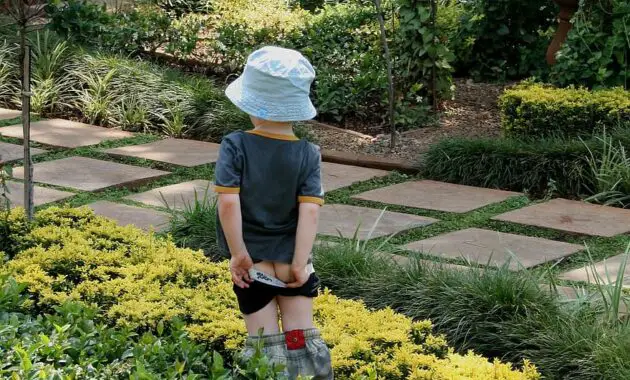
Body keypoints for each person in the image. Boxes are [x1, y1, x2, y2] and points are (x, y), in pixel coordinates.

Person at [214, 45, 333, 380]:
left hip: (254, 266)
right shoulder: (309, 153)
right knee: (300, 340)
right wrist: (299, 261)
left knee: (264, 345)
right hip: (291, 264)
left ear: (253, 104)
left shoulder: (236, 145)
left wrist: (239, 254)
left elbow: (228, 203)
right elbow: (310, 213)